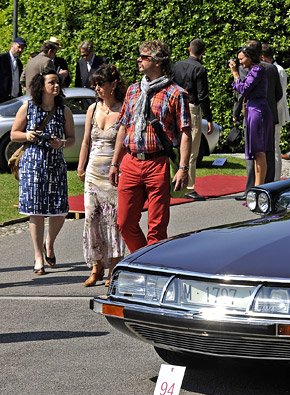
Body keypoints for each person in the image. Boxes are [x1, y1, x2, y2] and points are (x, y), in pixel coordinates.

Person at [109, 40, 191, 253]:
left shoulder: (176, 93)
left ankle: (151, 268)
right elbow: (123, 127)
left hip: (158, 163)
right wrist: (115, 163)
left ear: (158, 61)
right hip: (131, 161)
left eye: (144, 56)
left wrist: (183, 168)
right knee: (124, 222)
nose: (138, 59)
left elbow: (185, 133)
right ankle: (143, 261)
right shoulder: (133, 91)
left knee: (157, 228)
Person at [10, 70, 75, 275]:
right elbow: (14, 134)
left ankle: (49, 242)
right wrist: (27, 135)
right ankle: (38, 256)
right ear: (42, 85)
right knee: (35, 211)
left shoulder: (63, 110)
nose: (56, 86)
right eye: (52, 82)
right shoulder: (28, 107)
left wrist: (62, 143)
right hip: (32, 164)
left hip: (55, 163)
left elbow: (72, 138)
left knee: (60, 210)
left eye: (58, 83)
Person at [77, 65, 126, 286]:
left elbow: (121, 144)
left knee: (112, 220)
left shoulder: (123, 110)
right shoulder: (93, 109)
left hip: (112, 172)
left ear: (113, 84)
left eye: (100, 84)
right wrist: (81, 165)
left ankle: (112, 268)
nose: (96, 88)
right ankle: (96, 267)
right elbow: (86, 140)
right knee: (91, 219)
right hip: (93, 172)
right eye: (94, 85)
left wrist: (117, 165)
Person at [173, 38, 214, 200]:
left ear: (189, 48)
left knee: (176, 145)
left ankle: (174, 181)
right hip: (191, 107)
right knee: (191, 149)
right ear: (202, 52)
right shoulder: (200, 70)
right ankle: (188, 186)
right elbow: (203, 96)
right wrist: (209, 118)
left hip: (176, 106)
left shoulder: (177, 66)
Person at [230, 45, 273, 187]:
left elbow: (243, 88)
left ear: (250, 57)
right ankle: (257, 188)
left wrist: (235, 74)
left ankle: (259, 189)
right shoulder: (253, 70)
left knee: (259, 152)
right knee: (256, 152)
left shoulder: (257, 70)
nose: (240, 62)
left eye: (242, 59)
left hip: (257, 111)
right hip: (254, 110)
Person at [261, 43, 290, 180]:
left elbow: (279, 94)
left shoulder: (278, 70)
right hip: (272, 111)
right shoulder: (274, 69)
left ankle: (276, 178)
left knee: (274, 146)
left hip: (275, 112)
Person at [0, 37, 26, 102]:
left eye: (22, 48)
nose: (20, 50)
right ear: (12, 45)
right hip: (2, 98)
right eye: (19, 47)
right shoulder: (2, 59)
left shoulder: (19, 63)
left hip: (15, 98)